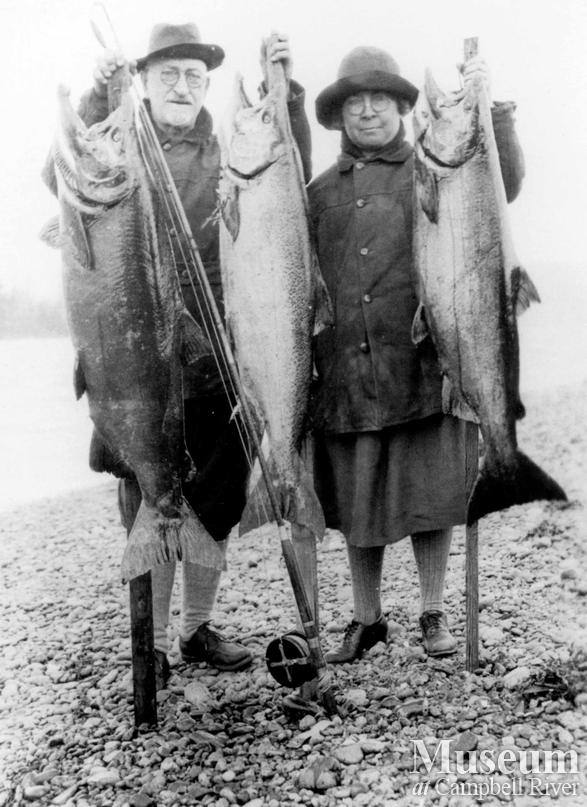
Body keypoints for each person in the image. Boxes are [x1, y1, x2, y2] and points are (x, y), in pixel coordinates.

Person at [78, 23, 312, 687]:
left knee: (214, 502)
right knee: (146, 500)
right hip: (136, 367)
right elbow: (61, 169)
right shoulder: (123, 141)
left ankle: (195, 627)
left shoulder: (230, 147)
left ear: (207, 85)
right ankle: (146, 641)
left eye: (194, 76)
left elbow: (287, 182)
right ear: (144, 82)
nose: (182, 87)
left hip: (217, 366)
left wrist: (284, 94)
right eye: (168, 75)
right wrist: (99, 99)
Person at [306, 47, 524, 663]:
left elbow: (502, 178)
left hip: (427, 364)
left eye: (380, 99)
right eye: (355, 102)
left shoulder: (436, 164)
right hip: (347, 373)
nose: (368, 111)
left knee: (432, 496)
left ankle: (432, 612)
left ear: (404, 107)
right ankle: (367, 619)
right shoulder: (318, 192)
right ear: (340, 116)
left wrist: (493, 114)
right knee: (357, 505)